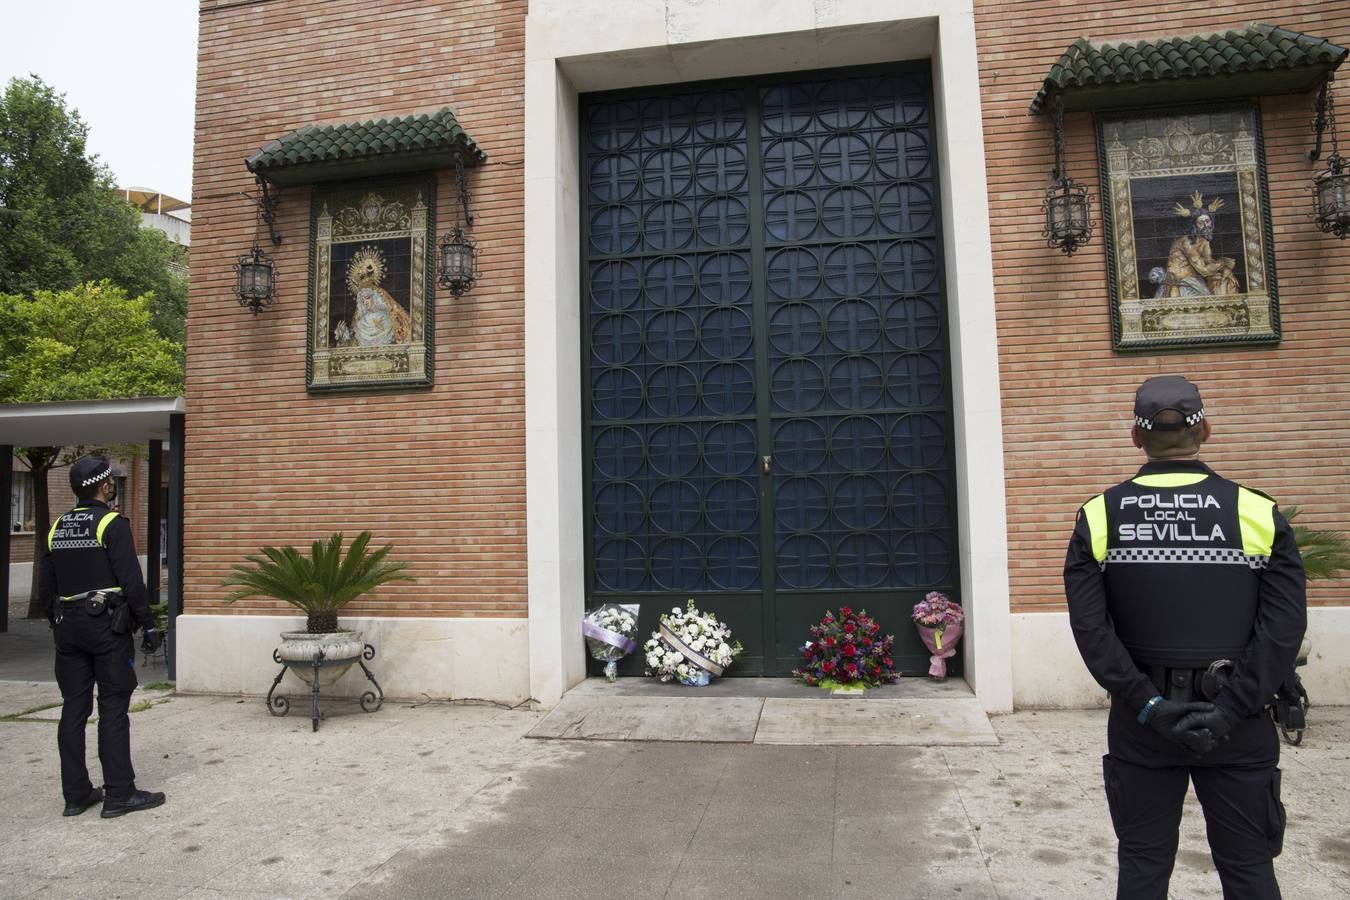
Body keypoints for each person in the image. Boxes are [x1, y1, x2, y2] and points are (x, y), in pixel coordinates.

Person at [1064, 375, 1305, 899]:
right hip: (1237, 727)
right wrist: (1230, 710)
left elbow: (1091, 630)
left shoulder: (1099, 515)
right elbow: (1283, 628)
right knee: (1248, 870)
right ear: (1206, 431)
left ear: (1136, 436)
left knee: (1144, 868)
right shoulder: (1258, 513)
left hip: (1143, 725)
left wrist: (1148, 704)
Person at [39, 456, 166, 818]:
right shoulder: (111, 523)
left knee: (73, 710)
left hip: (68, 628)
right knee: (113, 708)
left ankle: (76, 795)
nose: (113, 485)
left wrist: (59, 620)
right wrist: (148, 624)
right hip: (106, 627)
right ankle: (119, 794)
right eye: (110, 481)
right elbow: (131, 581)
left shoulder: (58, 527)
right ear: (104, 485)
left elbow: (47, 585)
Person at [1162, 193, 1240, 298]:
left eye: (1207, 221)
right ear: (1194, 226)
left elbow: (1209, 261)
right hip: (1182, 282)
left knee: (1225, 280)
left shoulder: (1204, 241)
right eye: (1200, 223)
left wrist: (1225, 268)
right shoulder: (1186, 242)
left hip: (1194, 280)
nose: (1205, 226)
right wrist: (1223, 262)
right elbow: (1203, 270)